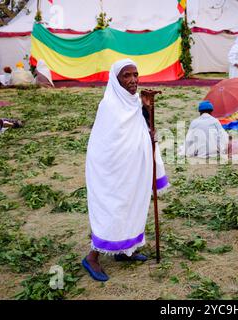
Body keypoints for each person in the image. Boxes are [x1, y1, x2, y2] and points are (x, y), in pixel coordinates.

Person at [83, 59, 155, 282]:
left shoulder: (134, 102)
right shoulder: (109, 105)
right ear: (116, 80)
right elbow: (108, 143)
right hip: (112, 171)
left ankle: (125, 251)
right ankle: (92, 257)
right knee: (113, 209)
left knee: (132, 207)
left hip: (132, 168)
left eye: (135, 74)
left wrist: (147, 112)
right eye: (127, 76)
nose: (133, 80)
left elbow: (143, 131)